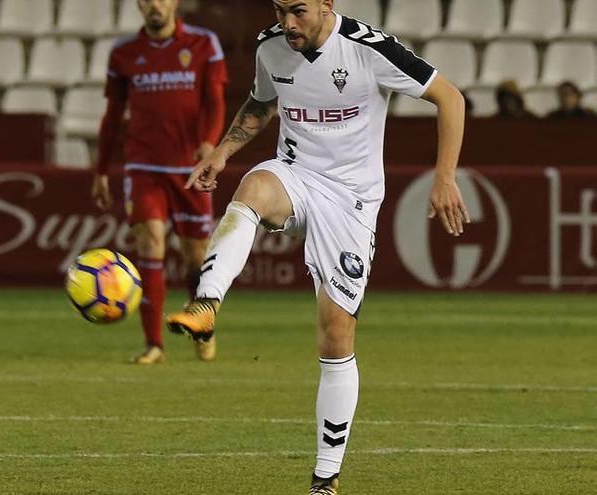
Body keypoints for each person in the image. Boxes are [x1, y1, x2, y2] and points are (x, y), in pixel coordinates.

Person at [165, 1, 469, 493]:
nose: (288, 23)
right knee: (253, 189)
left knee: (334, 337)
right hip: (296, 174)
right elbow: (262, 103)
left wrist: (445, 177)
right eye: (280, 9)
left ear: (328, 3)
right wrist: (222, 153)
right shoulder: (272, 47)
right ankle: (206, 302)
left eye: (299, 11)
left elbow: (450, 97)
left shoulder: (370, 49)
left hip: (351, 201)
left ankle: (325, 480)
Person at [92, 0, 227, 364]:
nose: (155, 4)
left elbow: (215, 101)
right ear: (139, 5)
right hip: (143, 166)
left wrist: (210, 142)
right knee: (150, 243)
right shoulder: (124, 52)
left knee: (195, 256)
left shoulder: (204, 44)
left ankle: (201, 322)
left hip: (190, 169)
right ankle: (154, 344)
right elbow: (113, 114)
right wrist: (102, 169)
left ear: (174, 3)